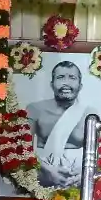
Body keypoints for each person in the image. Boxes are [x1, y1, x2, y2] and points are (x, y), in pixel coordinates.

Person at [26, 59, 90, 188]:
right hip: (42, 172)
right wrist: (47, 170)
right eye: (60, 77)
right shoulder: (35, 109)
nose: (66, 83)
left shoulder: (90, 113)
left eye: (72, 78)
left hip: (78, 176)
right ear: (51, 84)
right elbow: (23, 148)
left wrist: (83, 173)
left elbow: (97, 153)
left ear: (80, 85)